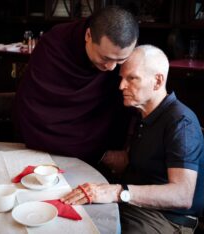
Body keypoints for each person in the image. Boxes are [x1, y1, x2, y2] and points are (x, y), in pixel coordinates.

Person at [61, 45, 204, 233]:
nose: (121, 86)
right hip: (136, 205)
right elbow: (134, 162)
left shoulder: (181, 123)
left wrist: (116, 192)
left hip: (170, 219)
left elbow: (182, 196)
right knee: (70, 210)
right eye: (122, 78)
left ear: (157, 81)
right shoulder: (143, 113)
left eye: (132, 78)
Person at [14, 6, 139, 165]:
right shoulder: (53, 46)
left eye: (120, 60)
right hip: (47, 153)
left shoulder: (123, 59)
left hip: (104, 153)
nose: (111, 68)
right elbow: (34, 112)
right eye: (105, 58)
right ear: (88, 35)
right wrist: (101, 155)